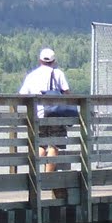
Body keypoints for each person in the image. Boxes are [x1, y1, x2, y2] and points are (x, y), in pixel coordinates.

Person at [19, 48, 70, 176]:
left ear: (40, 60)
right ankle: (48, 176)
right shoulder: (58, 73)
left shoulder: (32, 75)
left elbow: (22, 95)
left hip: (37, 114)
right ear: (54, 61)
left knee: (40, 145)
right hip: (55, 114)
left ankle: (36, 176)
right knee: (54, 145)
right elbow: (67, 92)